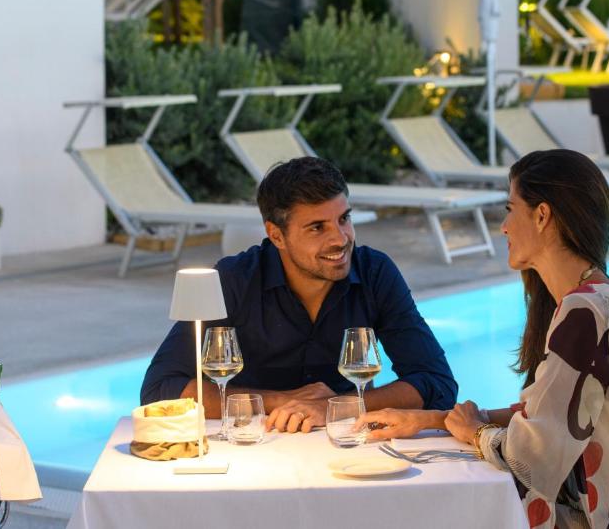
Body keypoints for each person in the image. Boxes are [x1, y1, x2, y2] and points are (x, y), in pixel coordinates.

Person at [358, 149, 609, 529]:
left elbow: (534, 458)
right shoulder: (607, 299)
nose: (504, 227)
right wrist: (437, 420)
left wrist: (475, 431)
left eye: (510, 209)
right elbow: (550, 415)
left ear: (542, 215)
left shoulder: (585, 311)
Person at [141, 156, 457, 433]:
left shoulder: (375, 273)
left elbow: (436, 382)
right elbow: (161, 389)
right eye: (317, 227)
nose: (341, 239)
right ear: (276, 235)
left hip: (346, 444)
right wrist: (281, 401)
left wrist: (336, 406)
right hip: (254, 447)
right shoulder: (234, 279)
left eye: (344, 219)